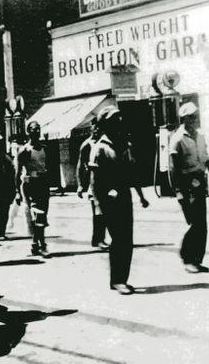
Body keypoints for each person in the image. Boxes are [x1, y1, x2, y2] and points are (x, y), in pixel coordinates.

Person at [89, 105, 149, 295]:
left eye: (119, 119)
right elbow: (94, 180)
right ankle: (117, 280)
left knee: (127, 239)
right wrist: (98, 205)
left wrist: (141, 196)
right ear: (106, 124)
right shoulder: (100, 148)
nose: (119, 122)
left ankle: (122, 278)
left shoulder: (125, 144)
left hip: (124, 196)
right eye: (115, 120)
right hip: (108, 199)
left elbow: (132, 174)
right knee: (118, 239)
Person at [169, 102, 209, 274]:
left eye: (196, 116)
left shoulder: (200, 136)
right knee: (194, 223)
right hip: (186, 183)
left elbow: (206, 159)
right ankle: (187, 257)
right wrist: (178, 192)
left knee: (201, 224)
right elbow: (173, 168)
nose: (195, 119)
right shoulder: (177, 139)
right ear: (184, 119)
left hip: (200, 181)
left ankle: (197, 259)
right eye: (191, 117)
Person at [15, 121, 50, 257]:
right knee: (38, 214)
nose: (36, 132)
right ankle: (42, 245)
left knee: (42, 214)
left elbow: (48, 166)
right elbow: (17, 172)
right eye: (34, 130)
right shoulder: (24, 150)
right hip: (31, 185)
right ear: (28, 132)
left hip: (43, 183)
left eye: (38, 129)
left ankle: (35, 243)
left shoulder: (44, 148)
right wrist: (18, 192)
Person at [76, 119, 109, 249]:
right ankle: (99, 239)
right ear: (90, 129)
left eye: (98, 128)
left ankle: (98, 239)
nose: (96, 130)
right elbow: (80, 166)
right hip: (93, 183)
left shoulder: (104, 143)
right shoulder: (87, 145)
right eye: (94, 128)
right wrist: (80, 185)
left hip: (105, 181)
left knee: (103, 211)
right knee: (98, 212)